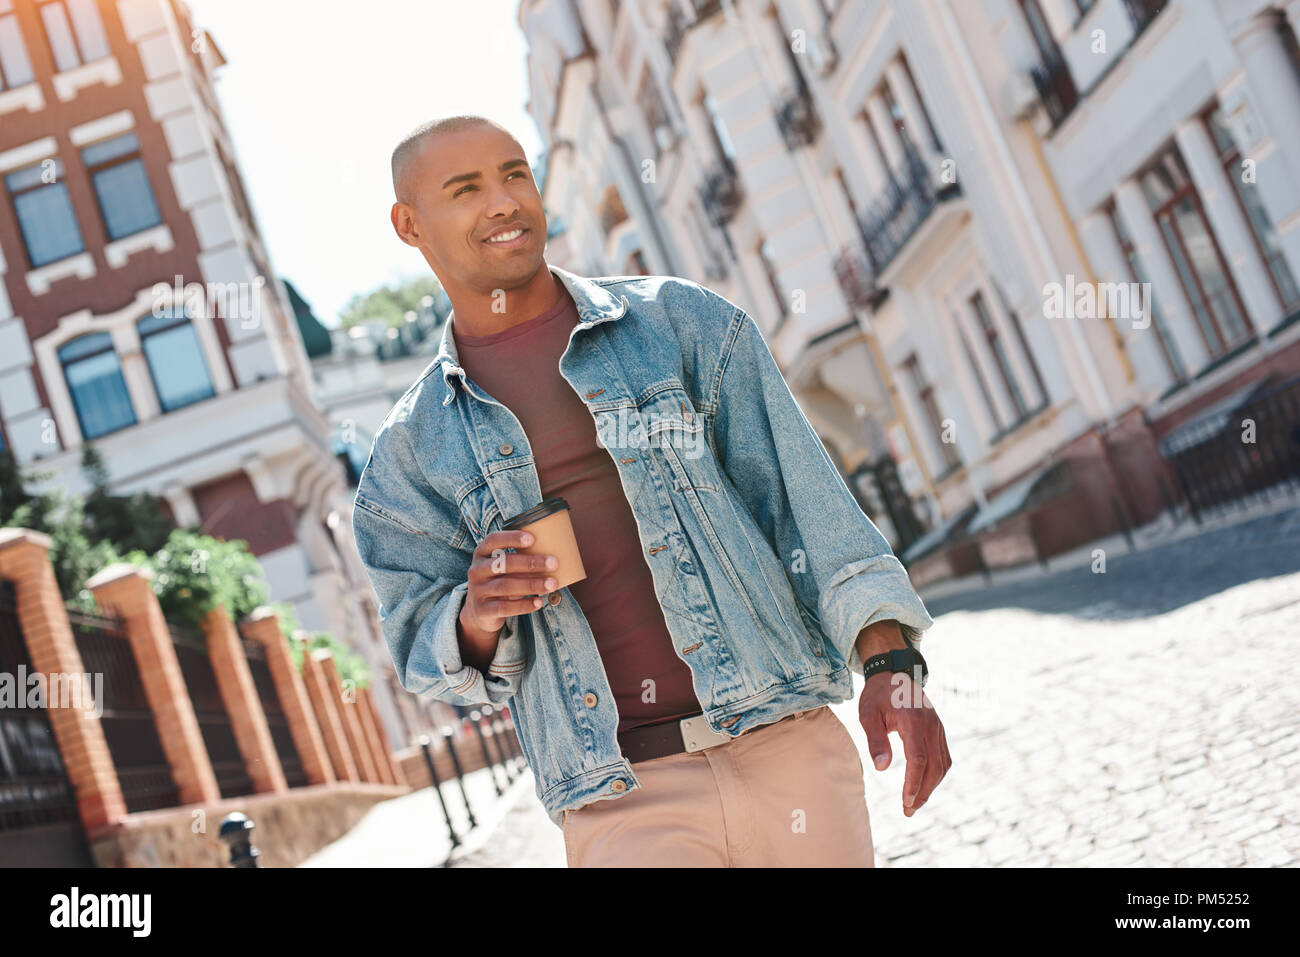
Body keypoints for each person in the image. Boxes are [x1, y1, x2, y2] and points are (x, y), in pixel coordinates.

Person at [352, 114, 952, 867]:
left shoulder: (682, 323)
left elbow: (807, 508)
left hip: (784, 743)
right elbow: (422, 649)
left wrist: (893, 663)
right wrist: (475, 616)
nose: (504, 202)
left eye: (514, 174)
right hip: (621, 802)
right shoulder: (407, 455)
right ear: (411, 224)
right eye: (466, 189)